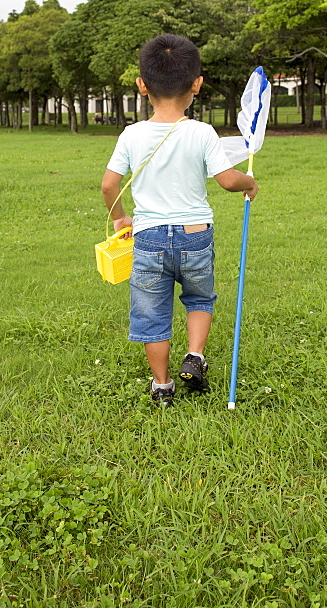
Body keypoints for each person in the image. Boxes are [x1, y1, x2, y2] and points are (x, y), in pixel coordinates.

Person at [101, 33, 259, 408]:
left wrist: (121, 217)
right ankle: (195, 356)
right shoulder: (202, 133)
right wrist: (249, 182)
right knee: (199, 297)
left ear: (142, 85)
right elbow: (226, 180)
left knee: (152, 312)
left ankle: (162, 386)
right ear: (197, 84)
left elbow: (110, 184)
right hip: (195, 235)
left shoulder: (131, 134)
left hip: (150, 237)